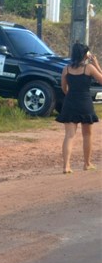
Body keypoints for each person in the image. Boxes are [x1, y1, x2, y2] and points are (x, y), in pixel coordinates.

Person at [58, 42, 100, 173]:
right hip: (85, 103)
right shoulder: (89, 68)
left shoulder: (66, 69)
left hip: (70, 102)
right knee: (87, 134)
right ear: (84, 55)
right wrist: (96, 64)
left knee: (69, 135)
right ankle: (87, 163)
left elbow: (63, 87)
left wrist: (70, 95)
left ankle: (66, 166)